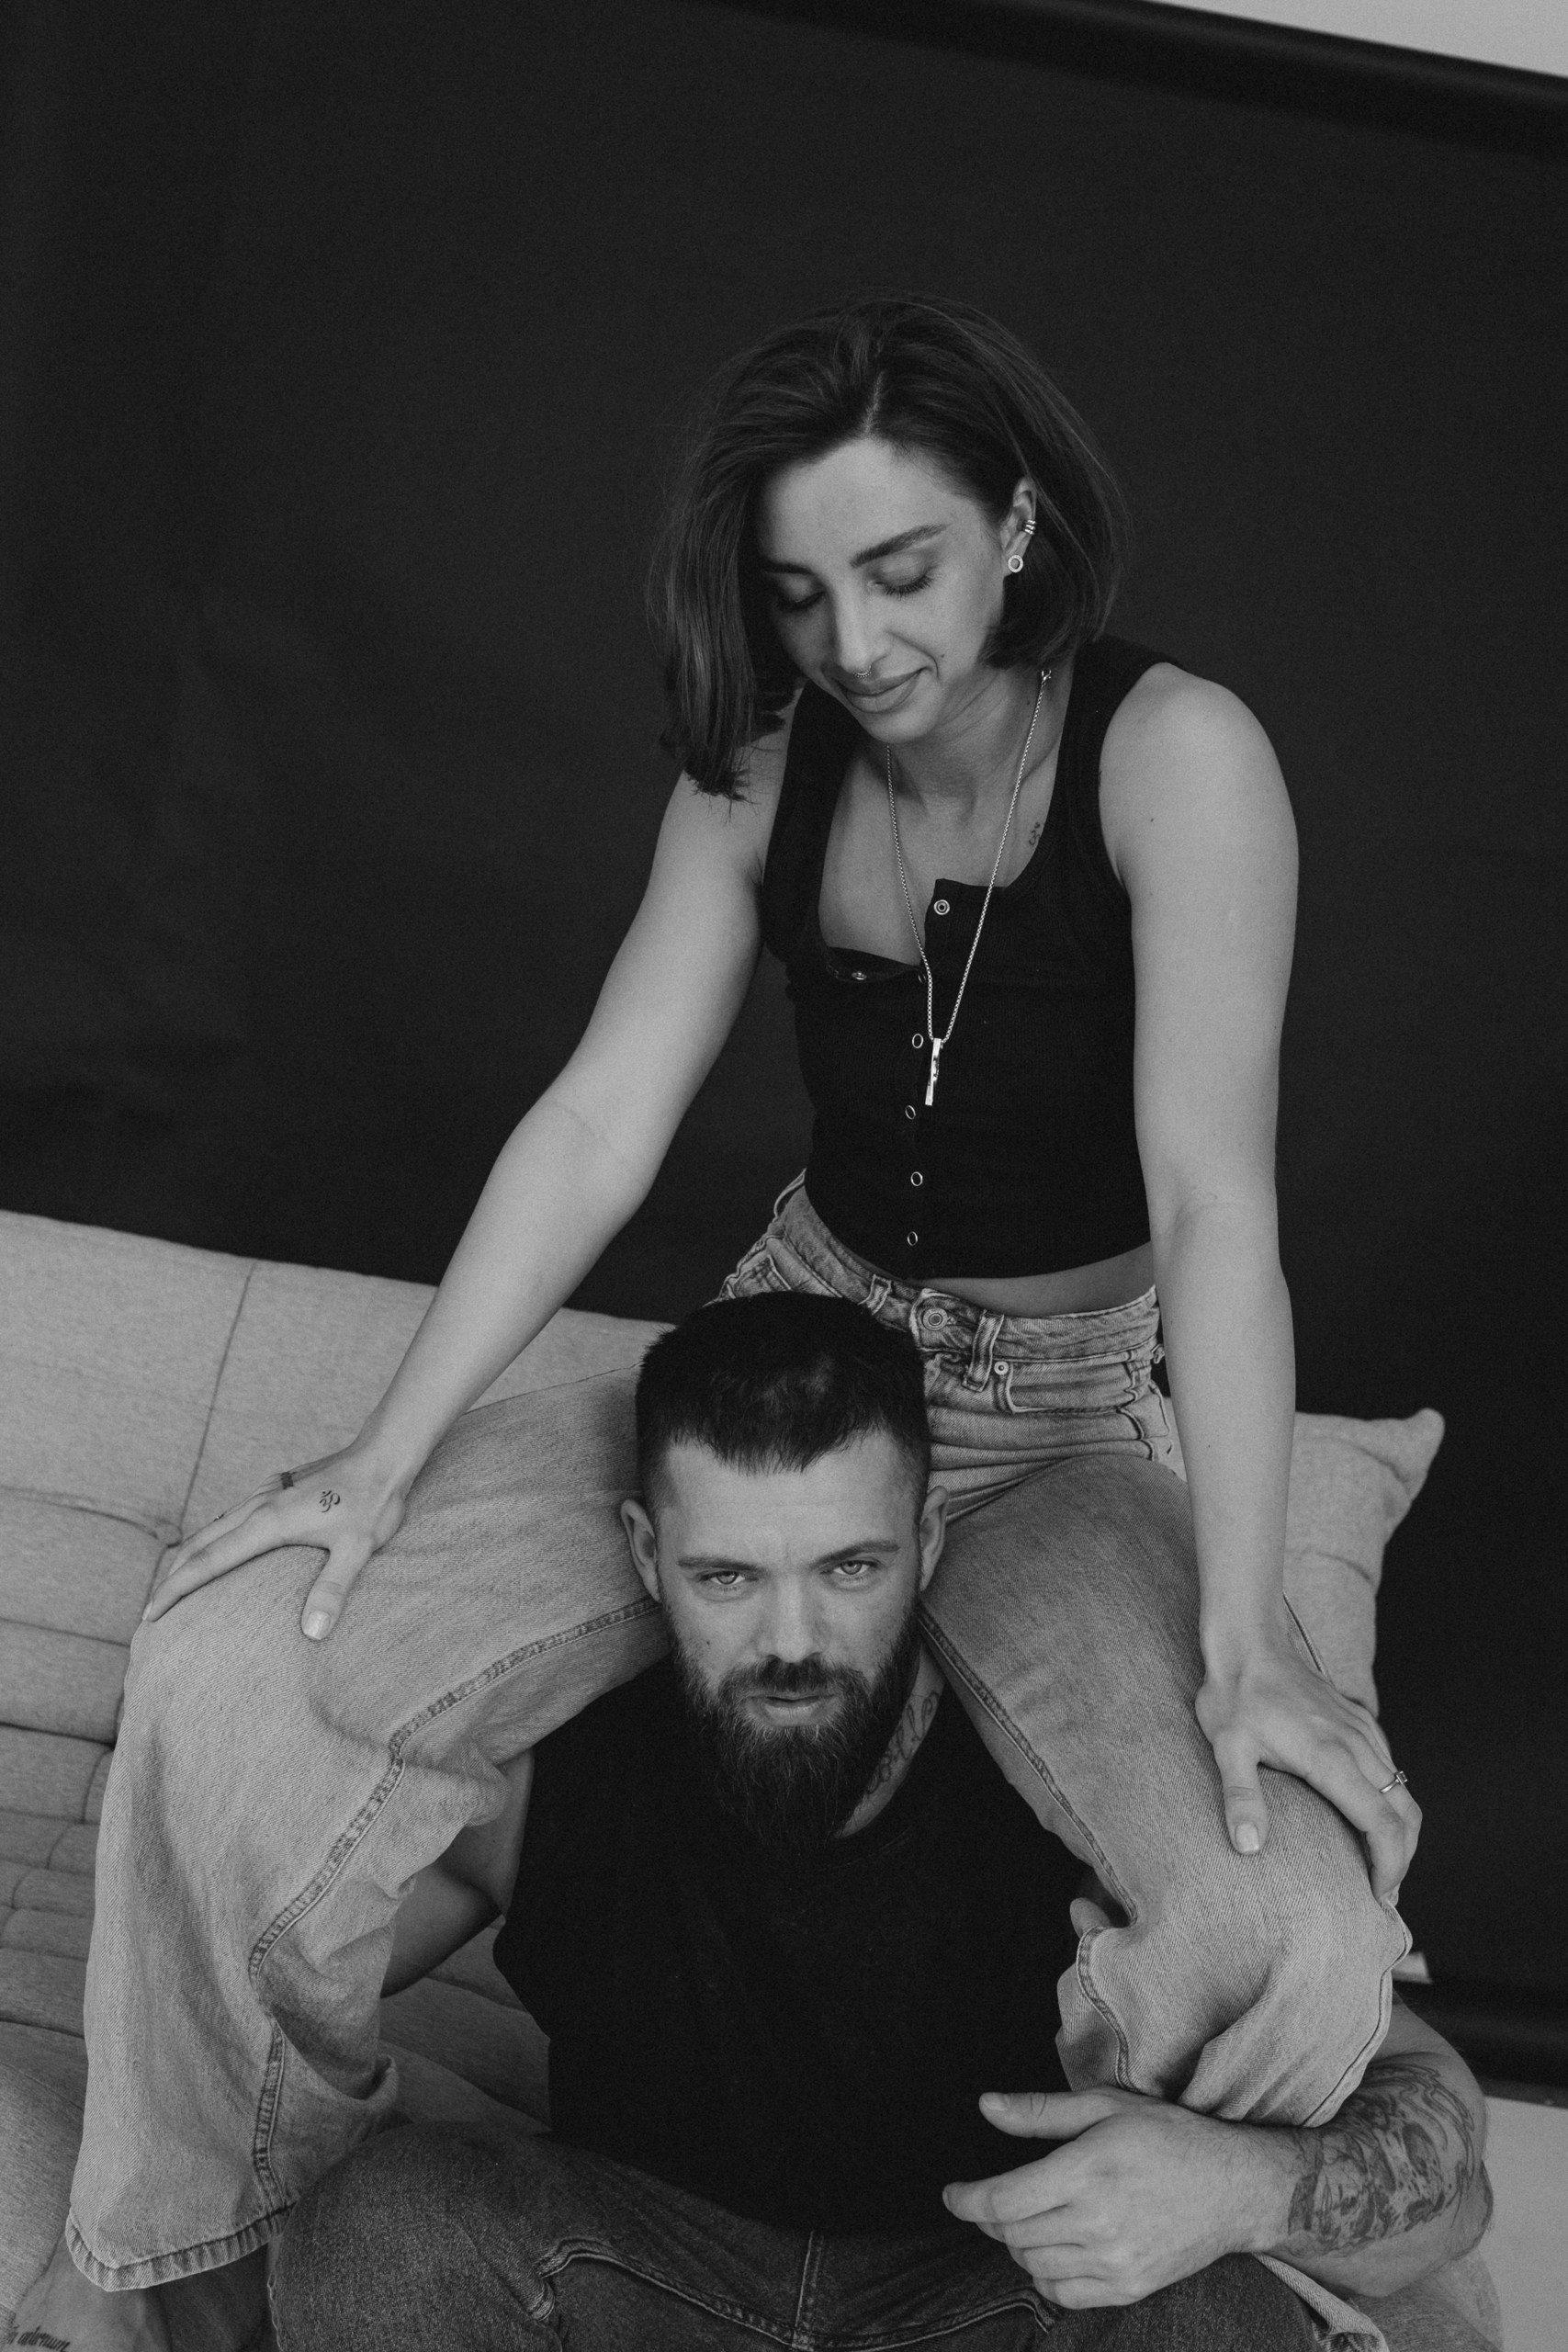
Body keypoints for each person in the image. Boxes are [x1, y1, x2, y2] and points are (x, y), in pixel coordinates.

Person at [53, 293, 1418, 2318]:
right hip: (789, 1363)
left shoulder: (1176, 756)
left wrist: (1236, 1645)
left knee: (1290, 1929)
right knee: (228, 1669)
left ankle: (1039, 2264)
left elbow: (1215, 1208)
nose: (855, 641)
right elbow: (599, 1115)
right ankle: (207, 2267)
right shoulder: (766, 768)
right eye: (800, 592)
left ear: (1015, 525)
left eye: (902, 570)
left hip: (1051, 1427)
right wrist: (383, 1459)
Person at [264, 1297, 1486, 2352]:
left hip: (999, 2292)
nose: (791, 1645)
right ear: (646, 1553)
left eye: (849, 1569)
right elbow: (272, 1978)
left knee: (1214, 2316)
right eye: (728, 1577)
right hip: (635, 2275)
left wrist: (1245, 2191)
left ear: (928, 1541)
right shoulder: (548, 1779)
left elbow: (1448, 2171)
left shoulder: (1093, 1791)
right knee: (383, 2230)